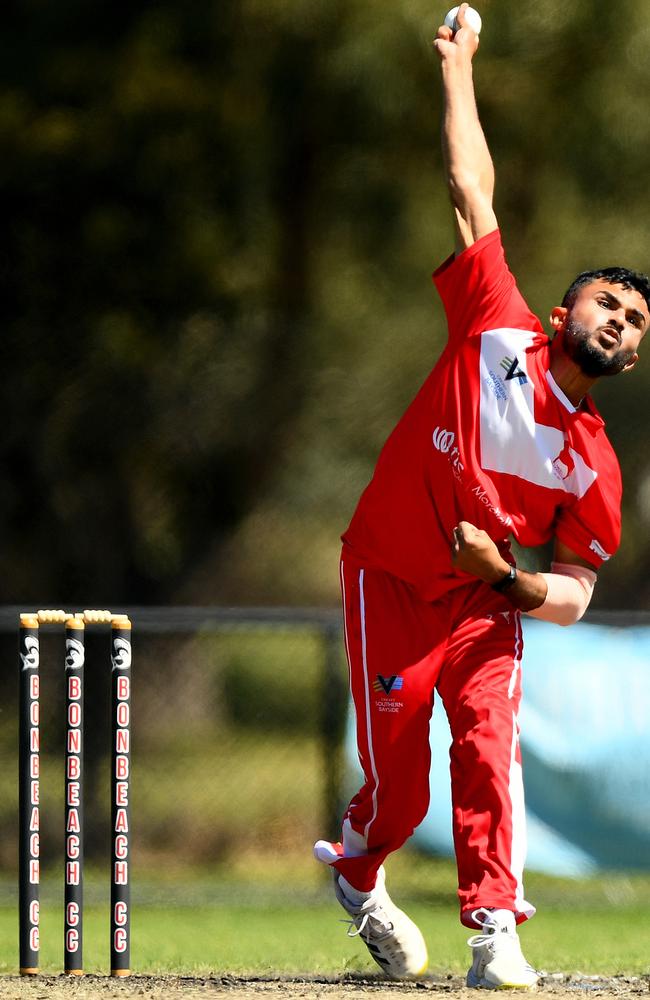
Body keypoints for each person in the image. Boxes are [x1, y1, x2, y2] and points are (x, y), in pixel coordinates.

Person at [313, 3, 650, 990]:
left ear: (631, 355)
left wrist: (502, 578)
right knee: (394, 786)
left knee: (485, 748)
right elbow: (469, 184)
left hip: (477, 604)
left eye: (634, 322)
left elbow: (577, 592)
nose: (621, 323)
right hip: (386, 575)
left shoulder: (593, 462)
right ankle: (360, 873)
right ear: (561, 310)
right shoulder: (492, 318)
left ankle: (493, 931)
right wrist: (457, 66)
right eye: (607, 303)